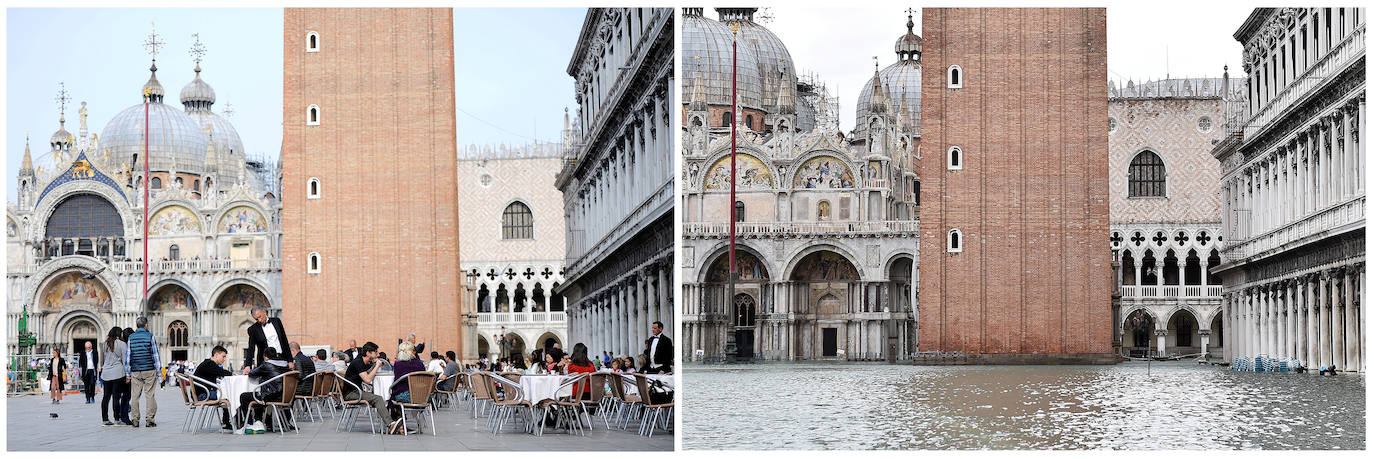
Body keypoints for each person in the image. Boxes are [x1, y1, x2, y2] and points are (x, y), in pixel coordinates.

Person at [342, 342, 397, 434]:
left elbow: (367, 371)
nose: (378, 354)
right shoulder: (358, 362)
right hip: (351, 393)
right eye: (375, 352)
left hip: (356, 391)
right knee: (378, 398)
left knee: (382, 397)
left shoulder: (362, 361)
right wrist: (377, 366)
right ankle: (391, 424)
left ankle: (392, 422)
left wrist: (375, 364)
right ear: (368, 353)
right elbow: (367, 380)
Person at [237, 347, 290, 431]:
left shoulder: (267, 364)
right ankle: (258, 420)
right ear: (276, 355)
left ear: (265, 357)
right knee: (258, 394)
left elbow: (251, 374)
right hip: (284, 396)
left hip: (271, 396)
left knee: (244, 396)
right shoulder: (286, 365)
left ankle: (249, 422)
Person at [124, 317, 161, 427]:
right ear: (146, 325)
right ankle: (149, 419)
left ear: (136, 326)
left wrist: (127, 373)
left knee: (135, 395)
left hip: (136, 370)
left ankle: (135, 419)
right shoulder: (150, 336)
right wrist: (159, 372)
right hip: (149, 369)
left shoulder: (131, 337)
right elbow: (155, 355)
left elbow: (128, 356)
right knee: (149, 395)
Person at [193, 346, 235, 430]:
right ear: (216, 355)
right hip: (203, 395)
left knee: (227, 395)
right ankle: (231, 422)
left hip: (202, 393)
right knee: (230, 396)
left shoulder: (208, 363)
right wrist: (234, 374)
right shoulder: (209, 364)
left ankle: (227, 421)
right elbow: (222, 372)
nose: (224, 359)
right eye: (223, 356)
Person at [99, 326, 130, 426]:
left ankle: (105, 419)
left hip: (106, 374)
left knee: (106, 397)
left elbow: (102, 359)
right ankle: (117, 419)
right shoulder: (122, 344)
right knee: (116, 397)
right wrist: (128, 375)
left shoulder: (105, 344)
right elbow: (125, 360)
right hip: (117, 373)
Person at [119, 327, 134, 419]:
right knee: (127, 396)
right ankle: (124, 416)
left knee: (124, 396)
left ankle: (122, 414)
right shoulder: (128, 346)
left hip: (121, 374)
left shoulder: (121, 345)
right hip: (127, 374)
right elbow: (127, 361)